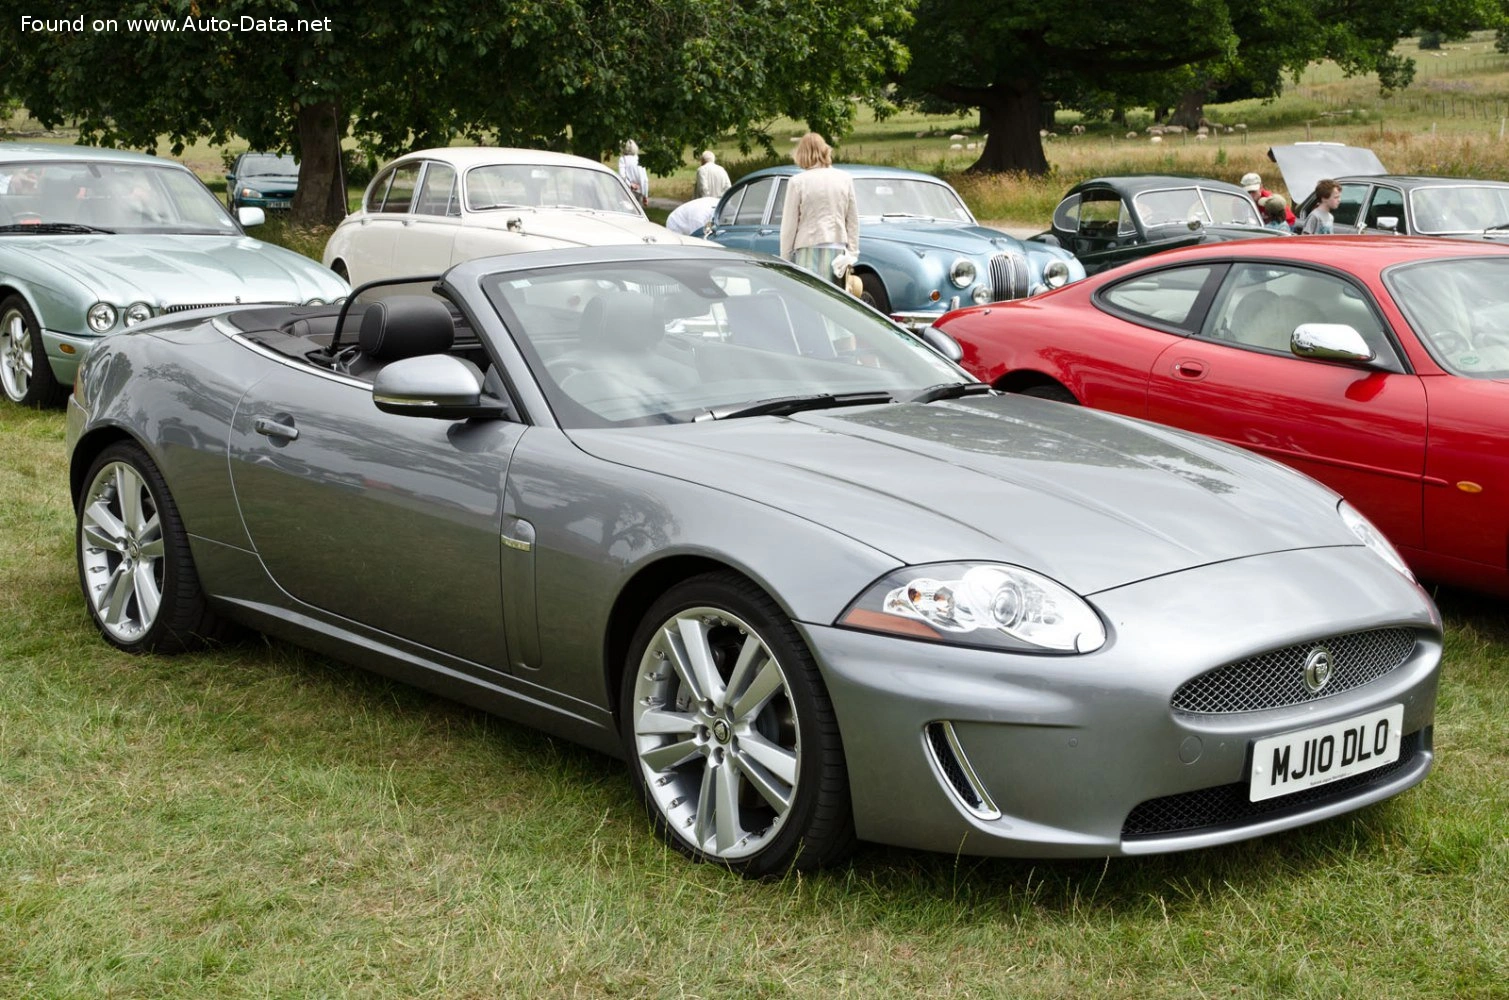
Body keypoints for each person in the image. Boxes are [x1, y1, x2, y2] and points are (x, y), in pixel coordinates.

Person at [778, 132, 858, 287]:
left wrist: (785, 259)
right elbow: (852, 220)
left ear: (801, 154)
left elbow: (789, 226)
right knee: (836, 300)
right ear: (825, 150)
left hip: (807, 248)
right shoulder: (845, 178)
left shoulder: (797, 182)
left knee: (809, 299)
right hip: (838, 250)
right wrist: (853, 253)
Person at [617, 140, 649, 208]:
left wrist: (630, 184)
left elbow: (622, 175)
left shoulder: (623, 159)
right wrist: (645, 196)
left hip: (627, 191)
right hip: (639, 191)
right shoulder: (639, 159)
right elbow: (644, 180)